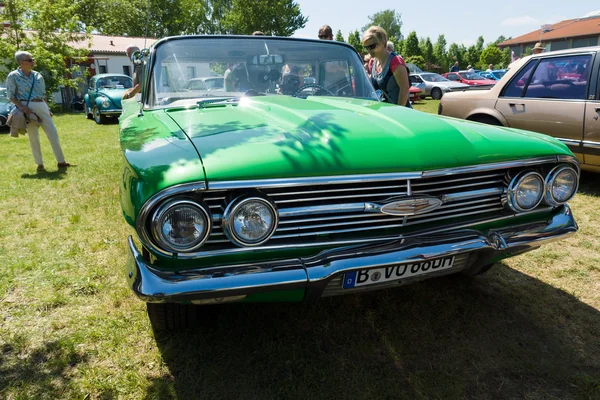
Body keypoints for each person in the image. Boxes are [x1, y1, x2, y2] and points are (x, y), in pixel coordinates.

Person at [6, 51, 74, 172]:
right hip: (26, 108)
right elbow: (11, 95)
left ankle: (61, 162)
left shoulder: (38, 75)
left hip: (41, 105)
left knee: (53, 134)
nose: (33, 61)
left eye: (32, 59)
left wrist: (47, 108)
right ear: (21, 62)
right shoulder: (13, 76)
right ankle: (40, 164)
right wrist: (23, 108)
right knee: (33, 137)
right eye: (30, 60)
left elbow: (43, 94)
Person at [362, 26, 410, 108]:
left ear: (383, 42)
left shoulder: (395, 61)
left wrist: (400, 111)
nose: (369, 51)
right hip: (383, 113)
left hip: (400, 114)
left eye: (372, 46)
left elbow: (404, 89)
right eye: (366, 47)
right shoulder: (373, 62)